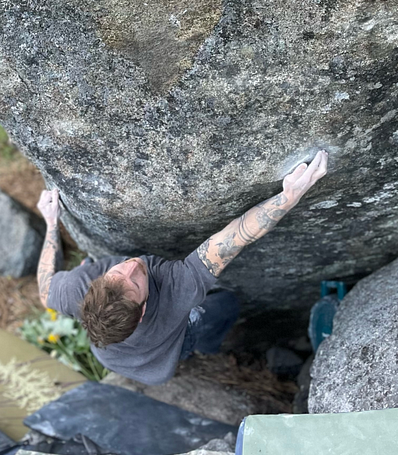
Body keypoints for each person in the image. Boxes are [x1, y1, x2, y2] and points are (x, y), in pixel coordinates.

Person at [36, 150, 329, 385]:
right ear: (140, 314)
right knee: (225, 304)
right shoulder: (177, 293)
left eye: (116, 273)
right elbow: (231, 240)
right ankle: (208, 346)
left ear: (91, 289)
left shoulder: (73, 289)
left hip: (115, 357)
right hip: (161, 362)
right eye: (136, 284)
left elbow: (43, 290)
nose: (133, 266)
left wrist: (52, 224)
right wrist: (289, 196)